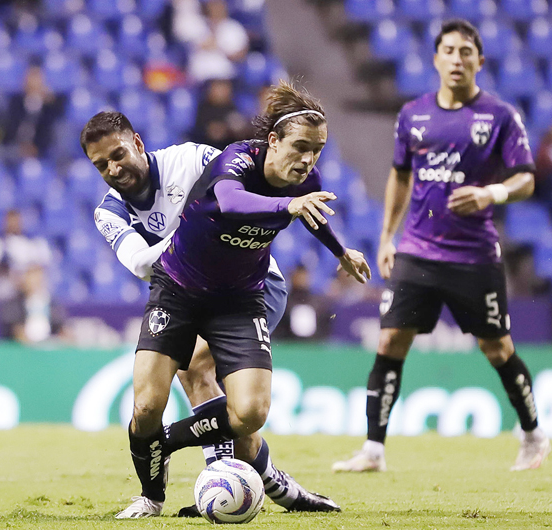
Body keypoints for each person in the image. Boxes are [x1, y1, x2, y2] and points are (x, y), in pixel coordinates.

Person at [80, 104, 353, 518]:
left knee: (210, 381)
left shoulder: (190, 160)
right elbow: (139, 264)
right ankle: (239, 480)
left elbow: (240, 186)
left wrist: (335, 245)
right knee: (163, 397)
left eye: (118, 155)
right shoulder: (108, 211)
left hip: (250, 287)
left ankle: (217, 468)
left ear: (137, 143)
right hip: (178, 288)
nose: (113, 169)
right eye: (101, 165)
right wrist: (193, 230)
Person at [332, 19, 550, 474]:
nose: (456, 58)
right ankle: (373, 449)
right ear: (435, 59)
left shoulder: (500, 116)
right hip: (417, 250)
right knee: (391, 340)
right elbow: (400, 175)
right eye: (448, 50)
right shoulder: (413, 115)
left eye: (465, 51)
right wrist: (387, 236)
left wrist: (492, 194)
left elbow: (527, 178)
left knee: (498, 349)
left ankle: (532, 433)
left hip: (474, 257)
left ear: (479, 61)